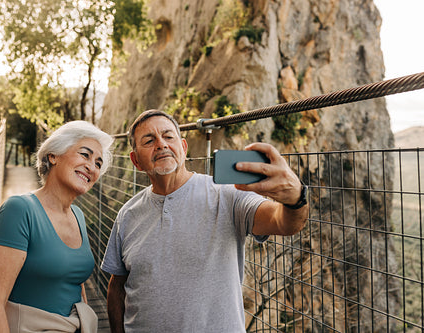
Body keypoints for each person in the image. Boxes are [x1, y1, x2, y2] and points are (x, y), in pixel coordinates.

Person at [101, 109, 309, 332]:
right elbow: (117, 286)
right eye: (149, 140)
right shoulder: (128, 214)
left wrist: (295, 198)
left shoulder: (227, 195)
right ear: (136, 161)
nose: (161, 144)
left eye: (168, 136)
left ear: (183, 148)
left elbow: (285, 223)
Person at [0, 121, 113, 333]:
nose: (92, 167)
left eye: (98, 163)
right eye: (85, 155)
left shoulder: (78, 216)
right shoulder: (19, 210)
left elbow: (75, 281)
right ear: (53, 155)